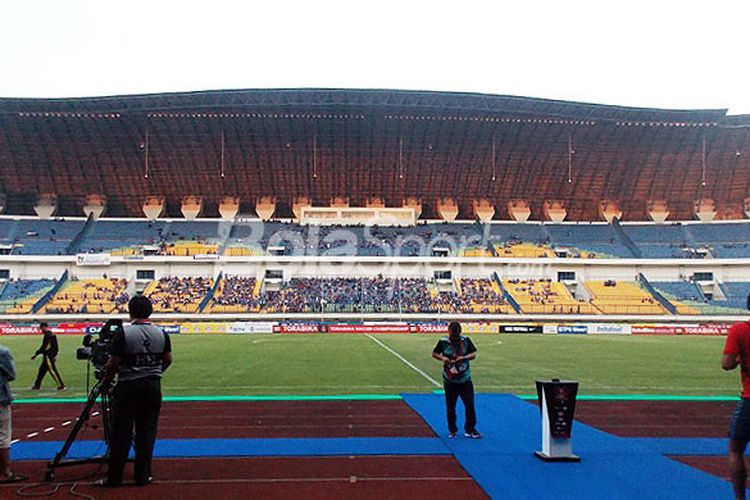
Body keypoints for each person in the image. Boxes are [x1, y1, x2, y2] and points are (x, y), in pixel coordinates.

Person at [99, 294, 172, 487]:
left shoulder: (124, 333)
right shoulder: (161, 333)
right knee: (147, 432)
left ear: (130, 311)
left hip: (128, 386)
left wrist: (106, 381)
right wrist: (155, 372)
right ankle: (143, 475)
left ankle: (114, 478)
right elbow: (168, 359)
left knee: (120, 433)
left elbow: (113, 363)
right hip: (152, 386)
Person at [432, 321, 480, 439]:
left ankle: (470, 429)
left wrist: (463, 357)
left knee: (469, 405)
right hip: (450, 379)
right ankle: (452, 430)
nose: (454, 338)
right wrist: (444, 358)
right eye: (453, 336)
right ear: (448, 331)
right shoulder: (443, 341)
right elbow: (434, 353)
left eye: (456, 336)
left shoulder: (465, 340)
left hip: (465, 378)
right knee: (451, 406)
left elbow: (473, 355)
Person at [723, 293, 750, 500]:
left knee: (736, 448)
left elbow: (727, 364)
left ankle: (740, 498)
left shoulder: (740, 330)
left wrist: (740, 358)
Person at [0, 344, 27, 484]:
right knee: (3, 436)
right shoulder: (3, 352)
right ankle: (5, 473)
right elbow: (11, 375)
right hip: (1, 399)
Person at [31, 322, 65, 391]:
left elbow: (45, 346)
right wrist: (55, 354)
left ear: (44, 327)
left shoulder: (48, 335)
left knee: (52, 370)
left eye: (41, 328)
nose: (41, 330)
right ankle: (37, 386)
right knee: (41, 371)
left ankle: (61, 385)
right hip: (49, 355)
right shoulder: (52, 334)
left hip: (48, 356)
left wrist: (36, 354)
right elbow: (56, 347)